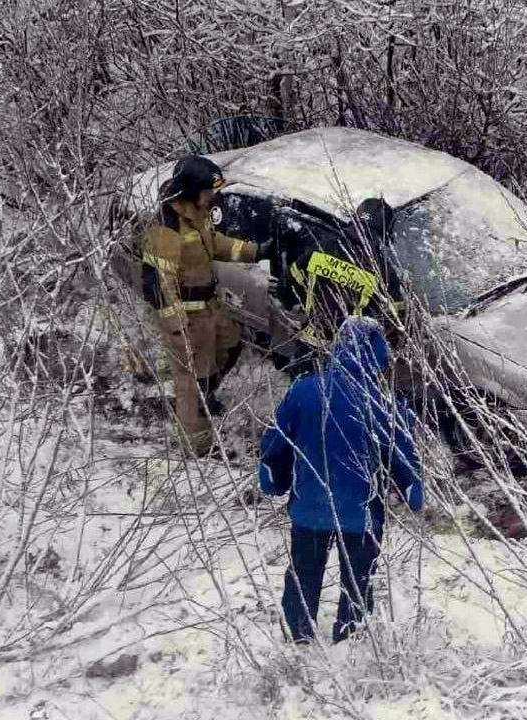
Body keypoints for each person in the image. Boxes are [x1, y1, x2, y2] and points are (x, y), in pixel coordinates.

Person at [258, 316, 423, 643]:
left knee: (304, 574)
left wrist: (273, 477)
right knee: (359, 579)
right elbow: (402, 454)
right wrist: (411, 487)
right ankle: (350, 636)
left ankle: (300, 636)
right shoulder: (384, 402)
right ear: (377, 354)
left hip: (310, 508)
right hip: (361, 514)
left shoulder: (304, 391)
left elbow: (276, 443)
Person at [141, 155, 274, 455]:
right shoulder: (167, 228)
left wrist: (257, 252)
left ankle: (207, 395)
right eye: (208, 190)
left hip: (208, 305)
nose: (213, 196)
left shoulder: (197, 213)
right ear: (191, 190)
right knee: (191, 382)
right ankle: (196, 446)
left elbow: (216, 244)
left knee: (230, 343)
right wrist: (178, 331)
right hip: (186, 316)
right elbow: (157, 286)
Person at [278, 197, 406, 364]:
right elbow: (395, 321)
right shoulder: (382, 269)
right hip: (349, 356)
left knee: (305, 388)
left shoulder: (321, 249)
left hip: (310, 346)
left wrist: (300, 307)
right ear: (384, 230)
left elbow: (286, 284)